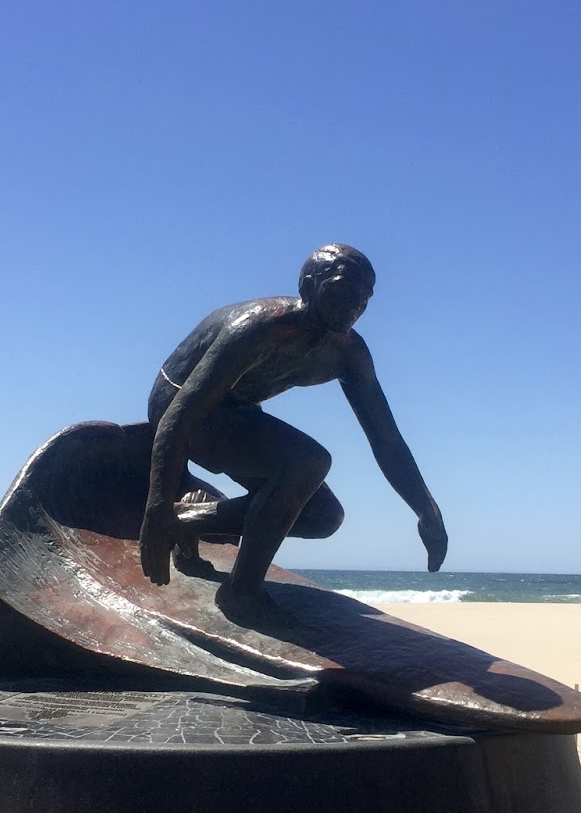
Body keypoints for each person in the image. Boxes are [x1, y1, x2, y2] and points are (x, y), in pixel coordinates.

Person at [140, 243, 447, 621]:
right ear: (308, 286)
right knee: (309, 461)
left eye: (363, 299)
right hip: (177, 403)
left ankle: (188, 517)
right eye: (341, 290)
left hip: (235, 411)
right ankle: (241, 593)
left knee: (322, 516)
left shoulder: (349, 353)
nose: (353, 306)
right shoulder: (261, 327)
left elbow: (387, 440)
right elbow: (180, 415)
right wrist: (155, 510)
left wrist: (425, 509)